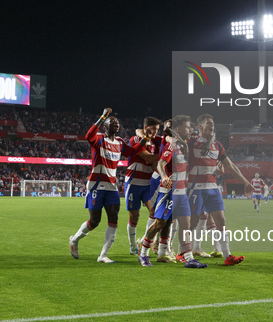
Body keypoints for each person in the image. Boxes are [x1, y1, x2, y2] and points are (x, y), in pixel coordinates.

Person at [69, 107, 157, 263]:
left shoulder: (119, 142)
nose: (116, 124)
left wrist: (145, 138)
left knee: (114, 218)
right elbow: (88, 135)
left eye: (117, 123)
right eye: (112, 122)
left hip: (111, 187)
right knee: (94, 221)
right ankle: (74, 240)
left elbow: (132, 152)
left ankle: (103, 255)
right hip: (96, 185)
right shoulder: (99, 139)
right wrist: (103, 116)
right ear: (105, 125)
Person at [138, 115, 207, 268]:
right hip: (169, 192)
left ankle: (189, 258)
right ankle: (143, 254)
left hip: (182, 193)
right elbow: (161, 163)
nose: (190, 130)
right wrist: (163, 176)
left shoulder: (184, 144)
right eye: (188, 127)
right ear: (179, 129)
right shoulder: (173, 145)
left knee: (185, 224)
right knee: (160, 223)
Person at [187, 113, 253, 266]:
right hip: (196, 188)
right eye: (208, 123)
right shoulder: (191, 143)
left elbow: (230, 166)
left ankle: (227, 255)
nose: (212, 126)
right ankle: (183, 252)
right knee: (193, 221)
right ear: (200, 126)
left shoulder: (217, 145)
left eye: (213, 123)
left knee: (221, 220)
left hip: (213, 188)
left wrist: (245, 182)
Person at [125, 116, 163, 256]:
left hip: (148, 184)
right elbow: (148, 158)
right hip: (134, 182)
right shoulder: (136, 140)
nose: (156, 132)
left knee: (153, 212)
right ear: (146, 128)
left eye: (158, 130)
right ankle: (132, 245)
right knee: (135, 217)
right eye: (154, 129)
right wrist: (164, 156)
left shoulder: (156, 141)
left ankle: (145, 240)